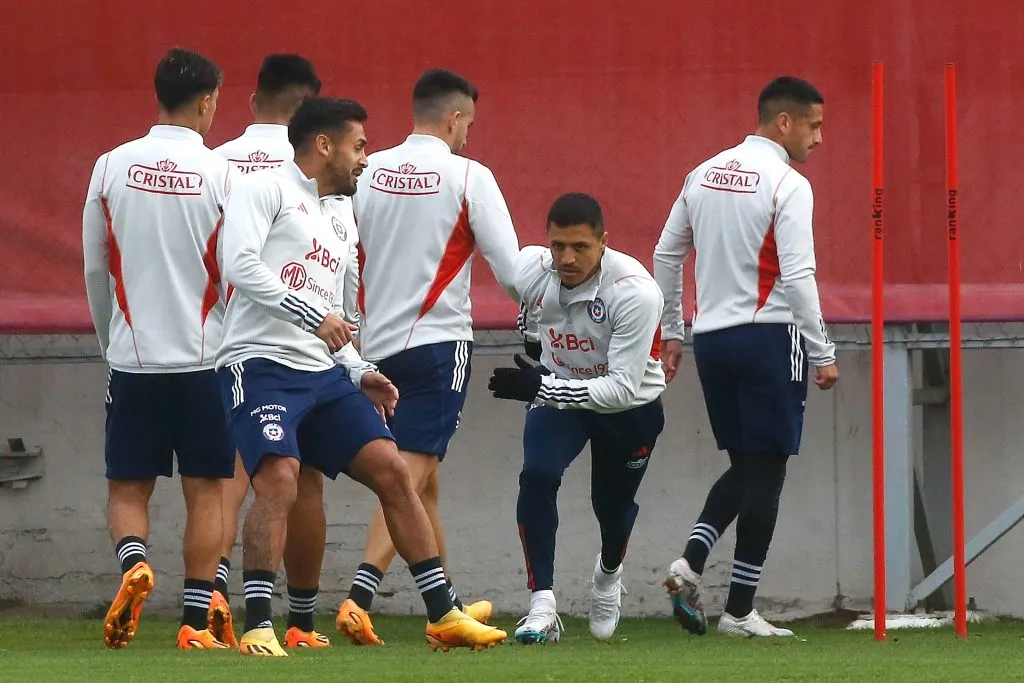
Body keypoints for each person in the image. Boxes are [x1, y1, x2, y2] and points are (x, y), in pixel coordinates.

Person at [216, 96, 508, 656]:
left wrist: (358, 368)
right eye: (360, 145)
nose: (366, 159)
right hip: (258, 364)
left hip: (323, 373)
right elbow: (240, 265)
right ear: (323, 145)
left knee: (395, 471)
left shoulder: (341, 214)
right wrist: (310, 315)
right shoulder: (263, 188)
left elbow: (343, 309)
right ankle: (257, 624)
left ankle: (443, 615)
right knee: (279, 477)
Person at [336, 67, 520, 645]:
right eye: (469, 124)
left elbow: (341, 255)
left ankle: (449, 604)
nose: (468, 135)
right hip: (439, 344)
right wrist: (542, 308)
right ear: (455, 118)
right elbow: (512, 272)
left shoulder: (368, 170)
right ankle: (360, 596)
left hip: (374, 345)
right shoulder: (469, 175)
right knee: (407, 476)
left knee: (424, 479)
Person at [652, 76, 839, 638]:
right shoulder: (788, 183)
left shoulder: (702, 173)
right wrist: (822, 350)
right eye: (815, 125)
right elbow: (799, 275)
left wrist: (673, 331)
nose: (820, 138)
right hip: (768, 337)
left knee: (748, 466)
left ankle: (691, 566)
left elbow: (665, 254)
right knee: (768, 470)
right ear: (784, 122)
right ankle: (738, 610)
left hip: (713, 340)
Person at [82, 47, 234, 650]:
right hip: (205, 361)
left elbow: (96, 268)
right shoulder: (224, 174)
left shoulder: (111, 165)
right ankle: (195, 622)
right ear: (205, 101)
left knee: (127, 486)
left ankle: (134, 566)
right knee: (208, 491)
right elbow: (236, 269)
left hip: (134, 357)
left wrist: (110, 340)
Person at [487, 193, 666, 644]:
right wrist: (538, 355)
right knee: (538, 475)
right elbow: (528, 310)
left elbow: (621, 388)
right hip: (560, 395)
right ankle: (542, 604)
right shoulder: (530, 271)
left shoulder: (635, 292)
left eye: (580, 247)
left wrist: (541, 387)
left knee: (611, 508)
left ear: (604, 242)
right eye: (558, 245)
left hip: (627, 408)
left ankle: (608, 575)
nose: (567, 258)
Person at [212, 53, 347, 650]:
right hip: (282, 348)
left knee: (230, 481)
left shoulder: (218, 163)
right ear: (311, 118)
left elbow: (207, 255)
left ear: (250, 101)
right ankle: (293, 617)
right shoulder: (311, 184)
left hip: (225, 337)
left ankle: (209, 600)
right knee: (294, 481)